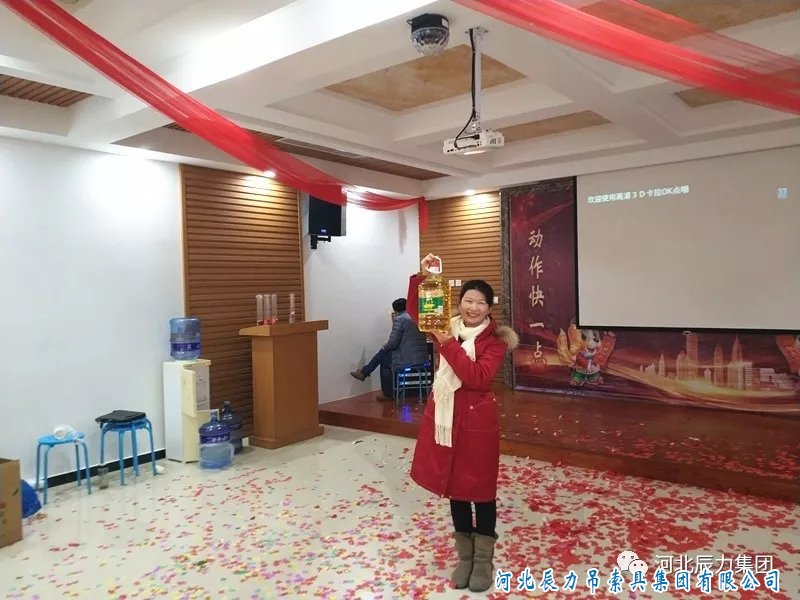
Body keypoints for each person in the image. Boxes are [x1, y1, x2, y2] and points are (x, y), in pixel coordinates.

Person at [406, 253, 518, 593]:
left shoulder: (495, 341)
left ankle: (483, 561)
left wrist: (447, 344)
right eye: (468, 300)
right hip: (445, 418)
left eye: (480, 303)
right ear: (459, 302)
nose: (473, 307)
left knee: (480, 492)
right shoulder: (447, 325)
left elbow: (477, 377)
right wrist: (423, 277)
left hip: (477, 424)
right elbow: (416, 311)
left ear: (489, 308)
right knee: (454, 487)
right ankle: (465, 558)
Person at [350, 297, 429, 401]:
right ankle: (365, 372)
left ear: (395, 310)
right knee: (386, 355)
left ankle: (387, 393)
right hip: (421, 358)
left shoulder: (400, 319)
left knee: (384, 359)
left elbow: (393, 342)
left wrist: (384, 347)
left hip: (407, 358)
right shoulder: (416, 317)